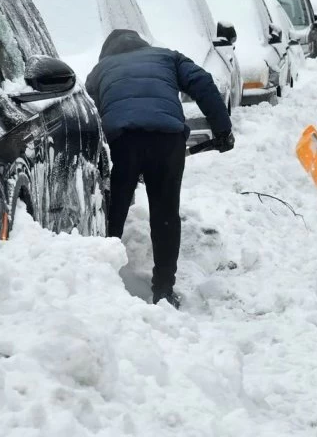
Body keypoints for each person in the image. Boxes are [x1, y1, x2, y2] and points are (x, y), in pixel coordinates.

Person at [86, 29, 234, 309]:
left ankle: (102, 286)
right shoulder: (168, 57)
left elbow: (89, 113)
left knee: (114, 212)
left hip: (122, 141)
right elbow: (202, 81)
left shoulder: (99, 70)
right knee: (165, 214)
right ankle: (163, 291)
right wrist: (223, 129)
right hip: (168, 140)